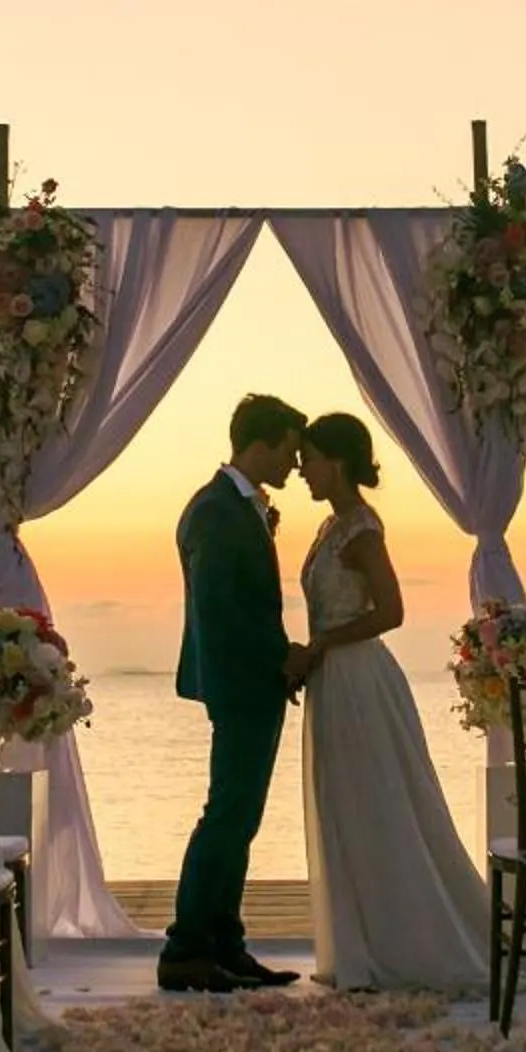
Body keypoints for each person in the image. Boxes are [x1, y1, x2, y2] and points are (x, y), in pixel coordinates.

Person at [290, 412, 491, 992]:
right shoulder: (330, 528)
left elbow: (391, 610)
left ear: (339, 461)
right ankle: (362, 939)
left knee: (377, 802)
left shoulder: (361, 529)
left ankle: (405, 938)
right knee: (345, 804)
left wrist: (323, 642)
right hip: (333, 679)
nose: (303, 470)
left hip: (359, 679)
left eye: (311, 458)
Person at [159, 392, 308, 993]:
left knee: (238, 818)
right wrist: (282, 661)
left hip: (247, 681)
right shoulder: (217, 511)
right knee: (226, 816)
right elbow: (224, 612)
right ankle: (186, 947)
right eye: (289, 452)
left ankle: (226, 943)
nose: (294, 466)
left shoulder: (233, 506)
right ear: (260, 445)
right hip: (243, 682)